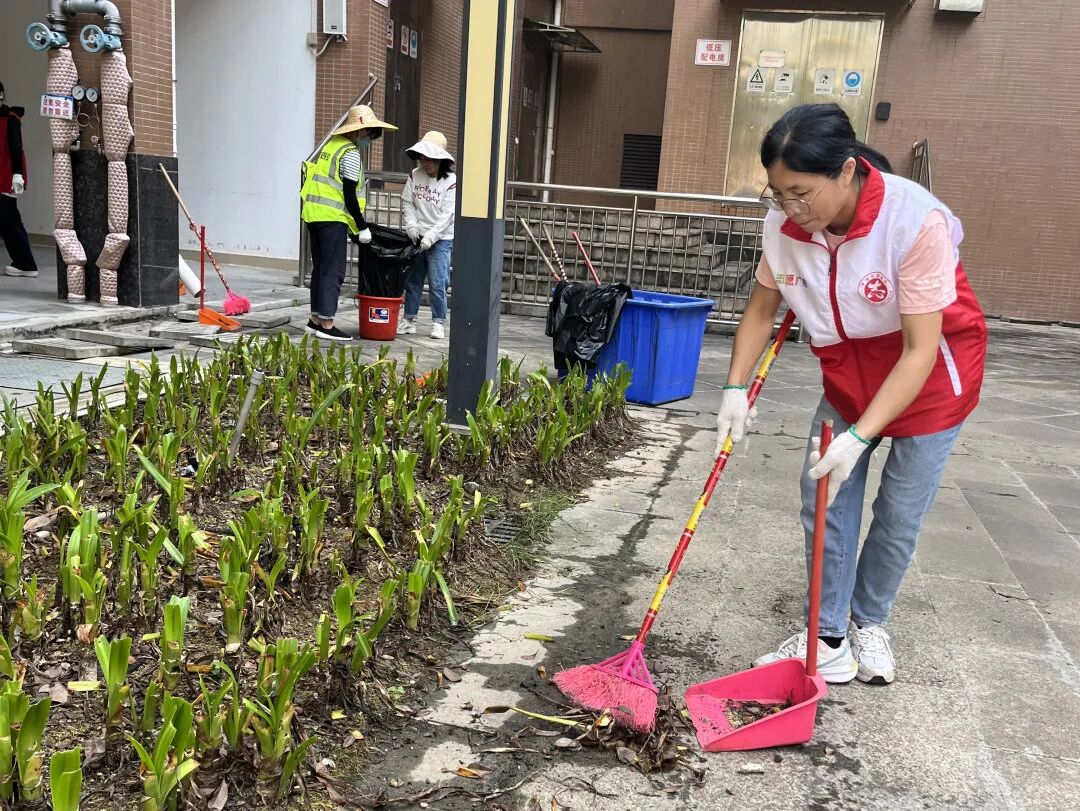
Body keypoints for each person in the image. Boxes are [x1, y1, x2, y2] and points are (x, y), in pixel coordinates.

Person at [717, 104, 986, 685]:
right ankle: (827, 632)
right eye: (777, 194)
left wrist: (861, 438)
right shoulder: (785, 228)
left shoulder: (914, 220)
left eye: (801, 194)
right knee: (825, 499)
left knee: (897, 512)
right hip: (846, 372)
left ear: (846, 171)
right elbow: (763, 309)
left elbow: (919, 351)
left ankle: (870, 622)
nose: (789, 209)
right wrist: (735, 388)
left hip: (930, 376)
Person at [301, 104, 396, 341]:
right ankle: (327, 323)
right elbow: (349, 195)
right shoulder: (350, 153)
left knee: (321, 269)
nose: (369, 140)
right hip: (333, 218)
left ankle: (314, 321)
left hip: (314, 215)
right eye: (369, 135)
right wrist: (361, 226)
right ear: (358, 131)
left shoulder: (330, 147)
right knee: (334, 272)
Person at [397, 131, 456, 340]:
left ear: (441, 160)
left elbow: (447, 216)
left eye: (430, 158)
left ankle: (438, 322)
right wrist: (411, 227)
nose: (425, 162)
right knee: (413, 281)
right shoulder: (414, 174)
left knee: (438, 283)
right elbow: (407, 202)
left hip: (441, 239)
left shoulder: (451, 182)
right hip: (416, 236)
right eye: (422, 157)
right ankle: (408, 320)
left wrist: (431, 237)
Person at [0, 81, 38, 279]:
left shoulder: (10, 119)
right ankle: (24, 262)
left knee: (10, 222)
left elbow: (16, 147)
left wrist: (17, 174)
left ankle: (26, 263)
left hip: (5, 177)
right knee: (8, 222)